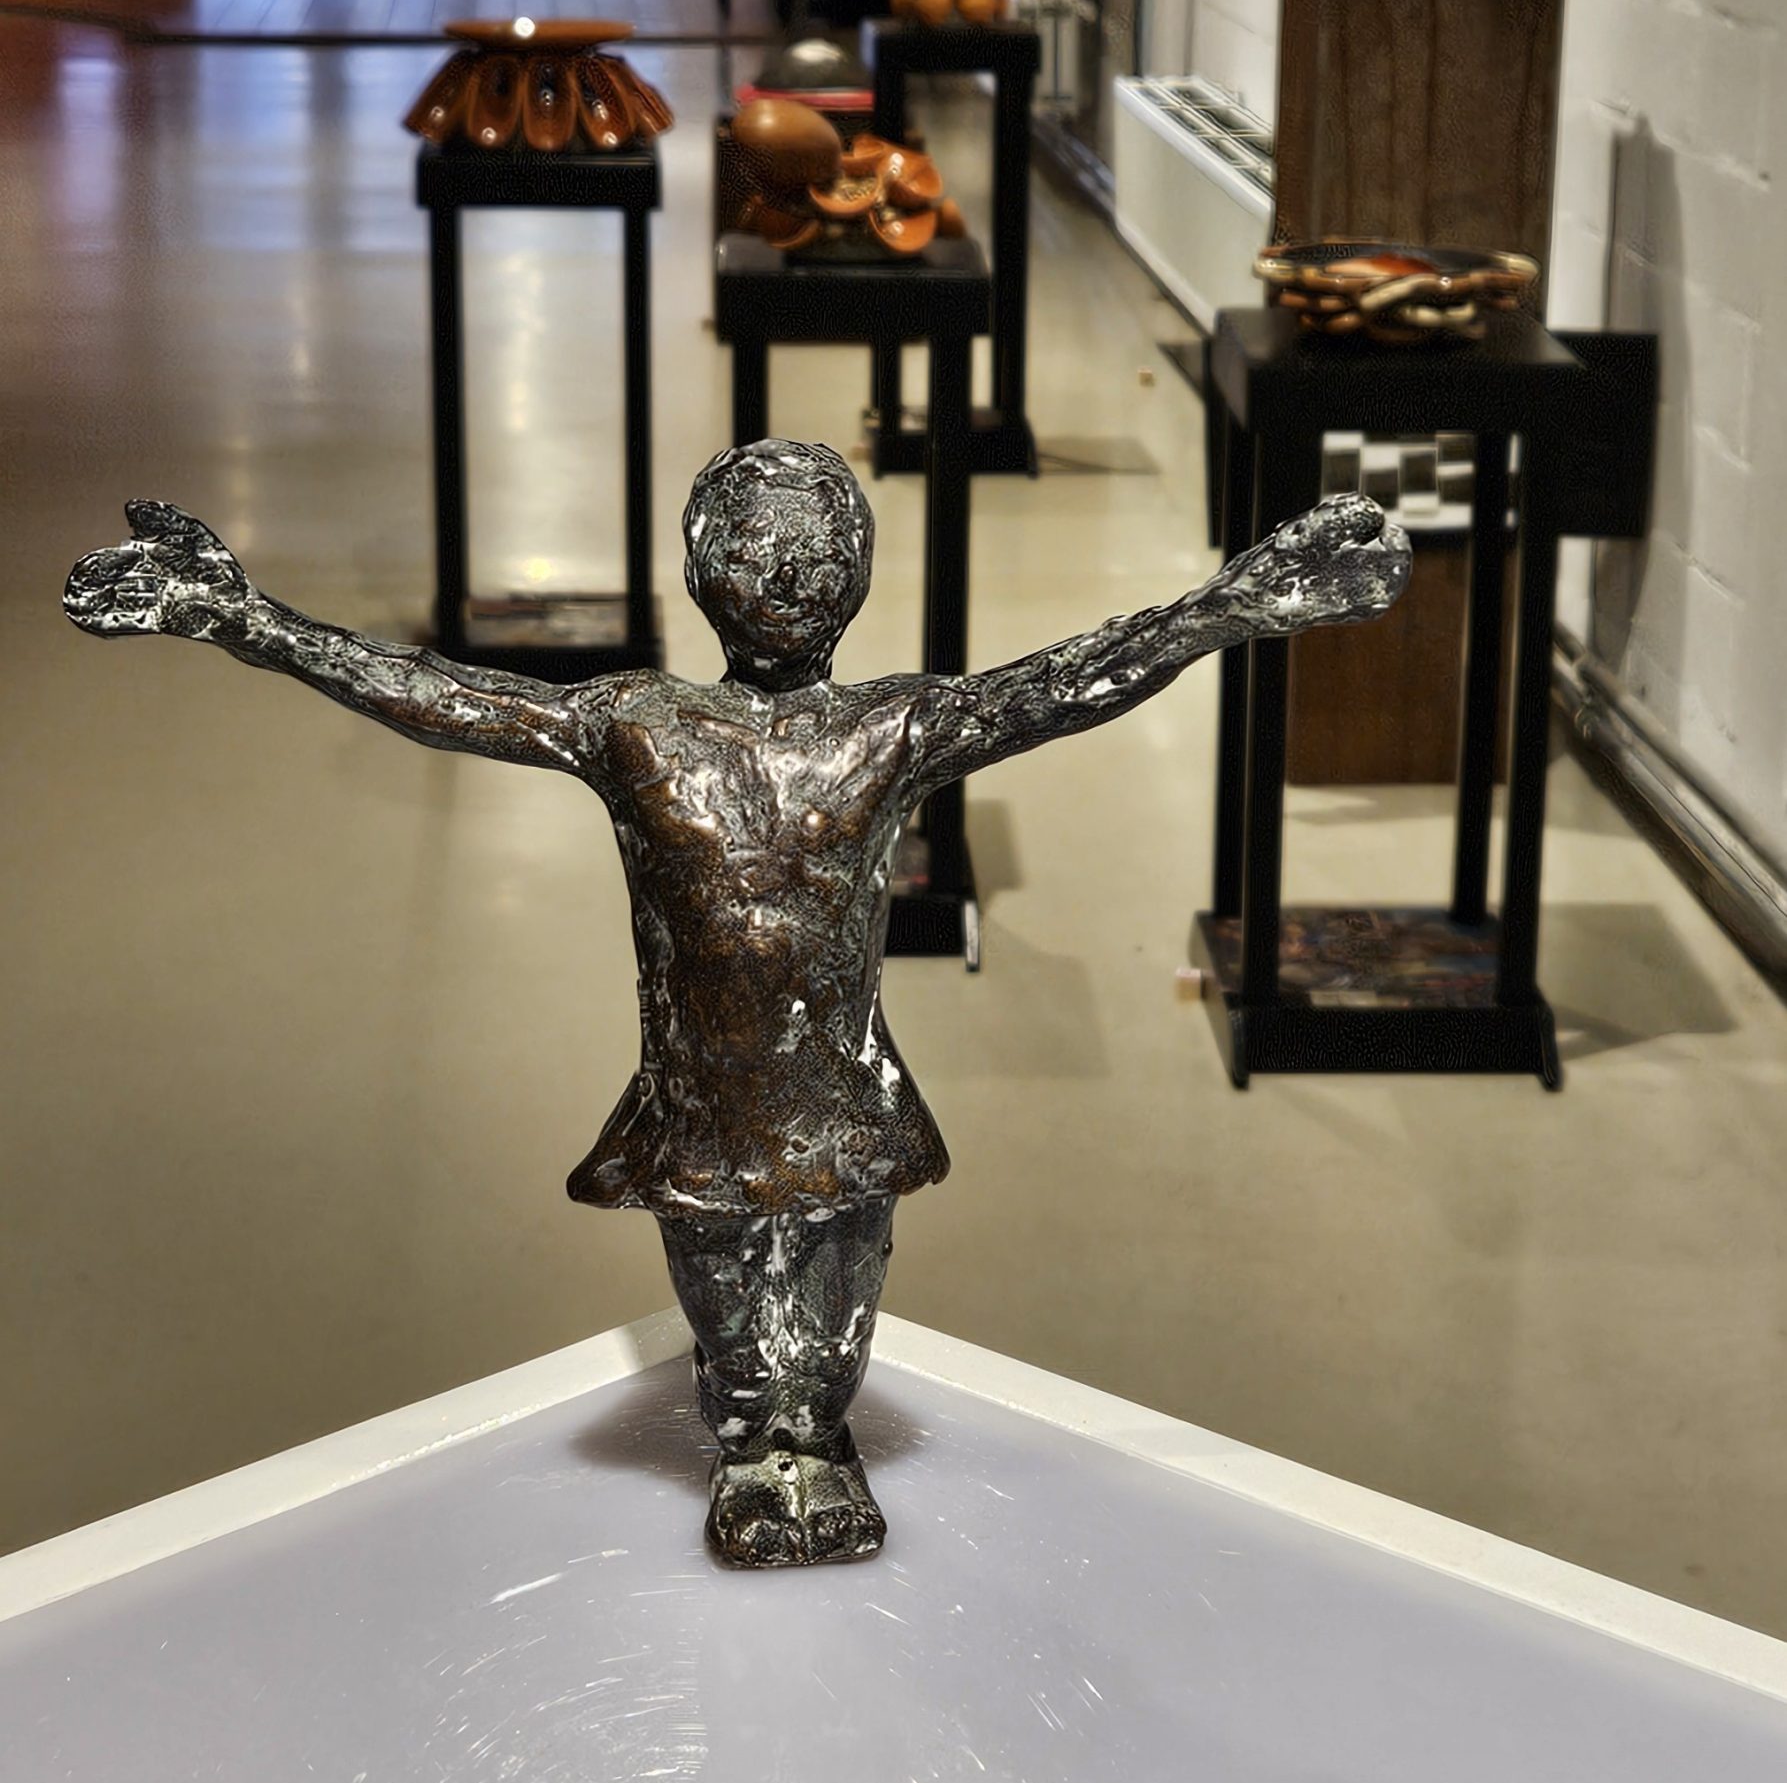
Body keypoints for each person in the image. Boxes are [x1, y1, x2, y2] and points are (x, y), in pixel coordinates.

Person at [65, 442, 1409, 1568]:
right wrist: (247, 622)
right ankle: (756, 1449)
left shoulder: (889, 727)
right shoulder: (635, 723)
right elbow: (443, 698)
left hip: (842, 1092)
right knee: (730, 1320)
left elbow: (1058, 688)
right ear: (706, 567)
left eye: (819, 548)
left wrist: (1230, 608)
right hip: (703, 1101)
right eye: (760, 545)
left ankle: (811, 1445)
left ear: (856, 577)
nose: (790, 572)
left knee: (833, 1310)